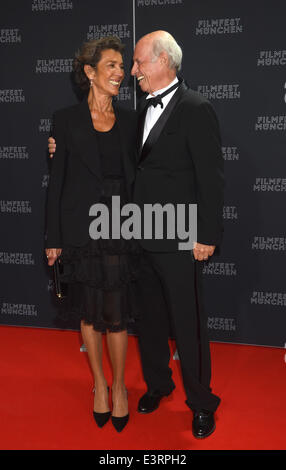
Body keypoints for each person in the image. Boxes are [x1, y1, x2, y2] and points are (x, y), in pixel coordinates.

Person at [48, 30, 224, 439]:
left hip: (178, 234)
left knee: (188, 324)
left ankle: (201, 403)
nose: (133, 72)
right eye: (129, 65)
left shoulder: (197, 108)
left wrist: (206, 234)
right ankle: (159, 385)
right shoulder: (137, 112)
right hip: (134, 233)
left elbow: (211, 180)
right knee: (149, 318)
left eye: (140, 63)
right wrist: (59, 147)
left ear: (164, 61)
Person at [45, 36, 139, 433]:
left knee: (115, 315)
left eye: (121, 67)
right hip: (80, 228)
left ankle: (119, 388)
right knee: (89, 312)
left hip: (120, 226)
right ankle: (99, 384)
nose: (120, 74)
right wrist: (53, 238)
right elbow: (58, 182)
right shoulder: (65, 121)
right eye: (112, 67)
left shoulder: (133, 120)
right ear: (90, 73)